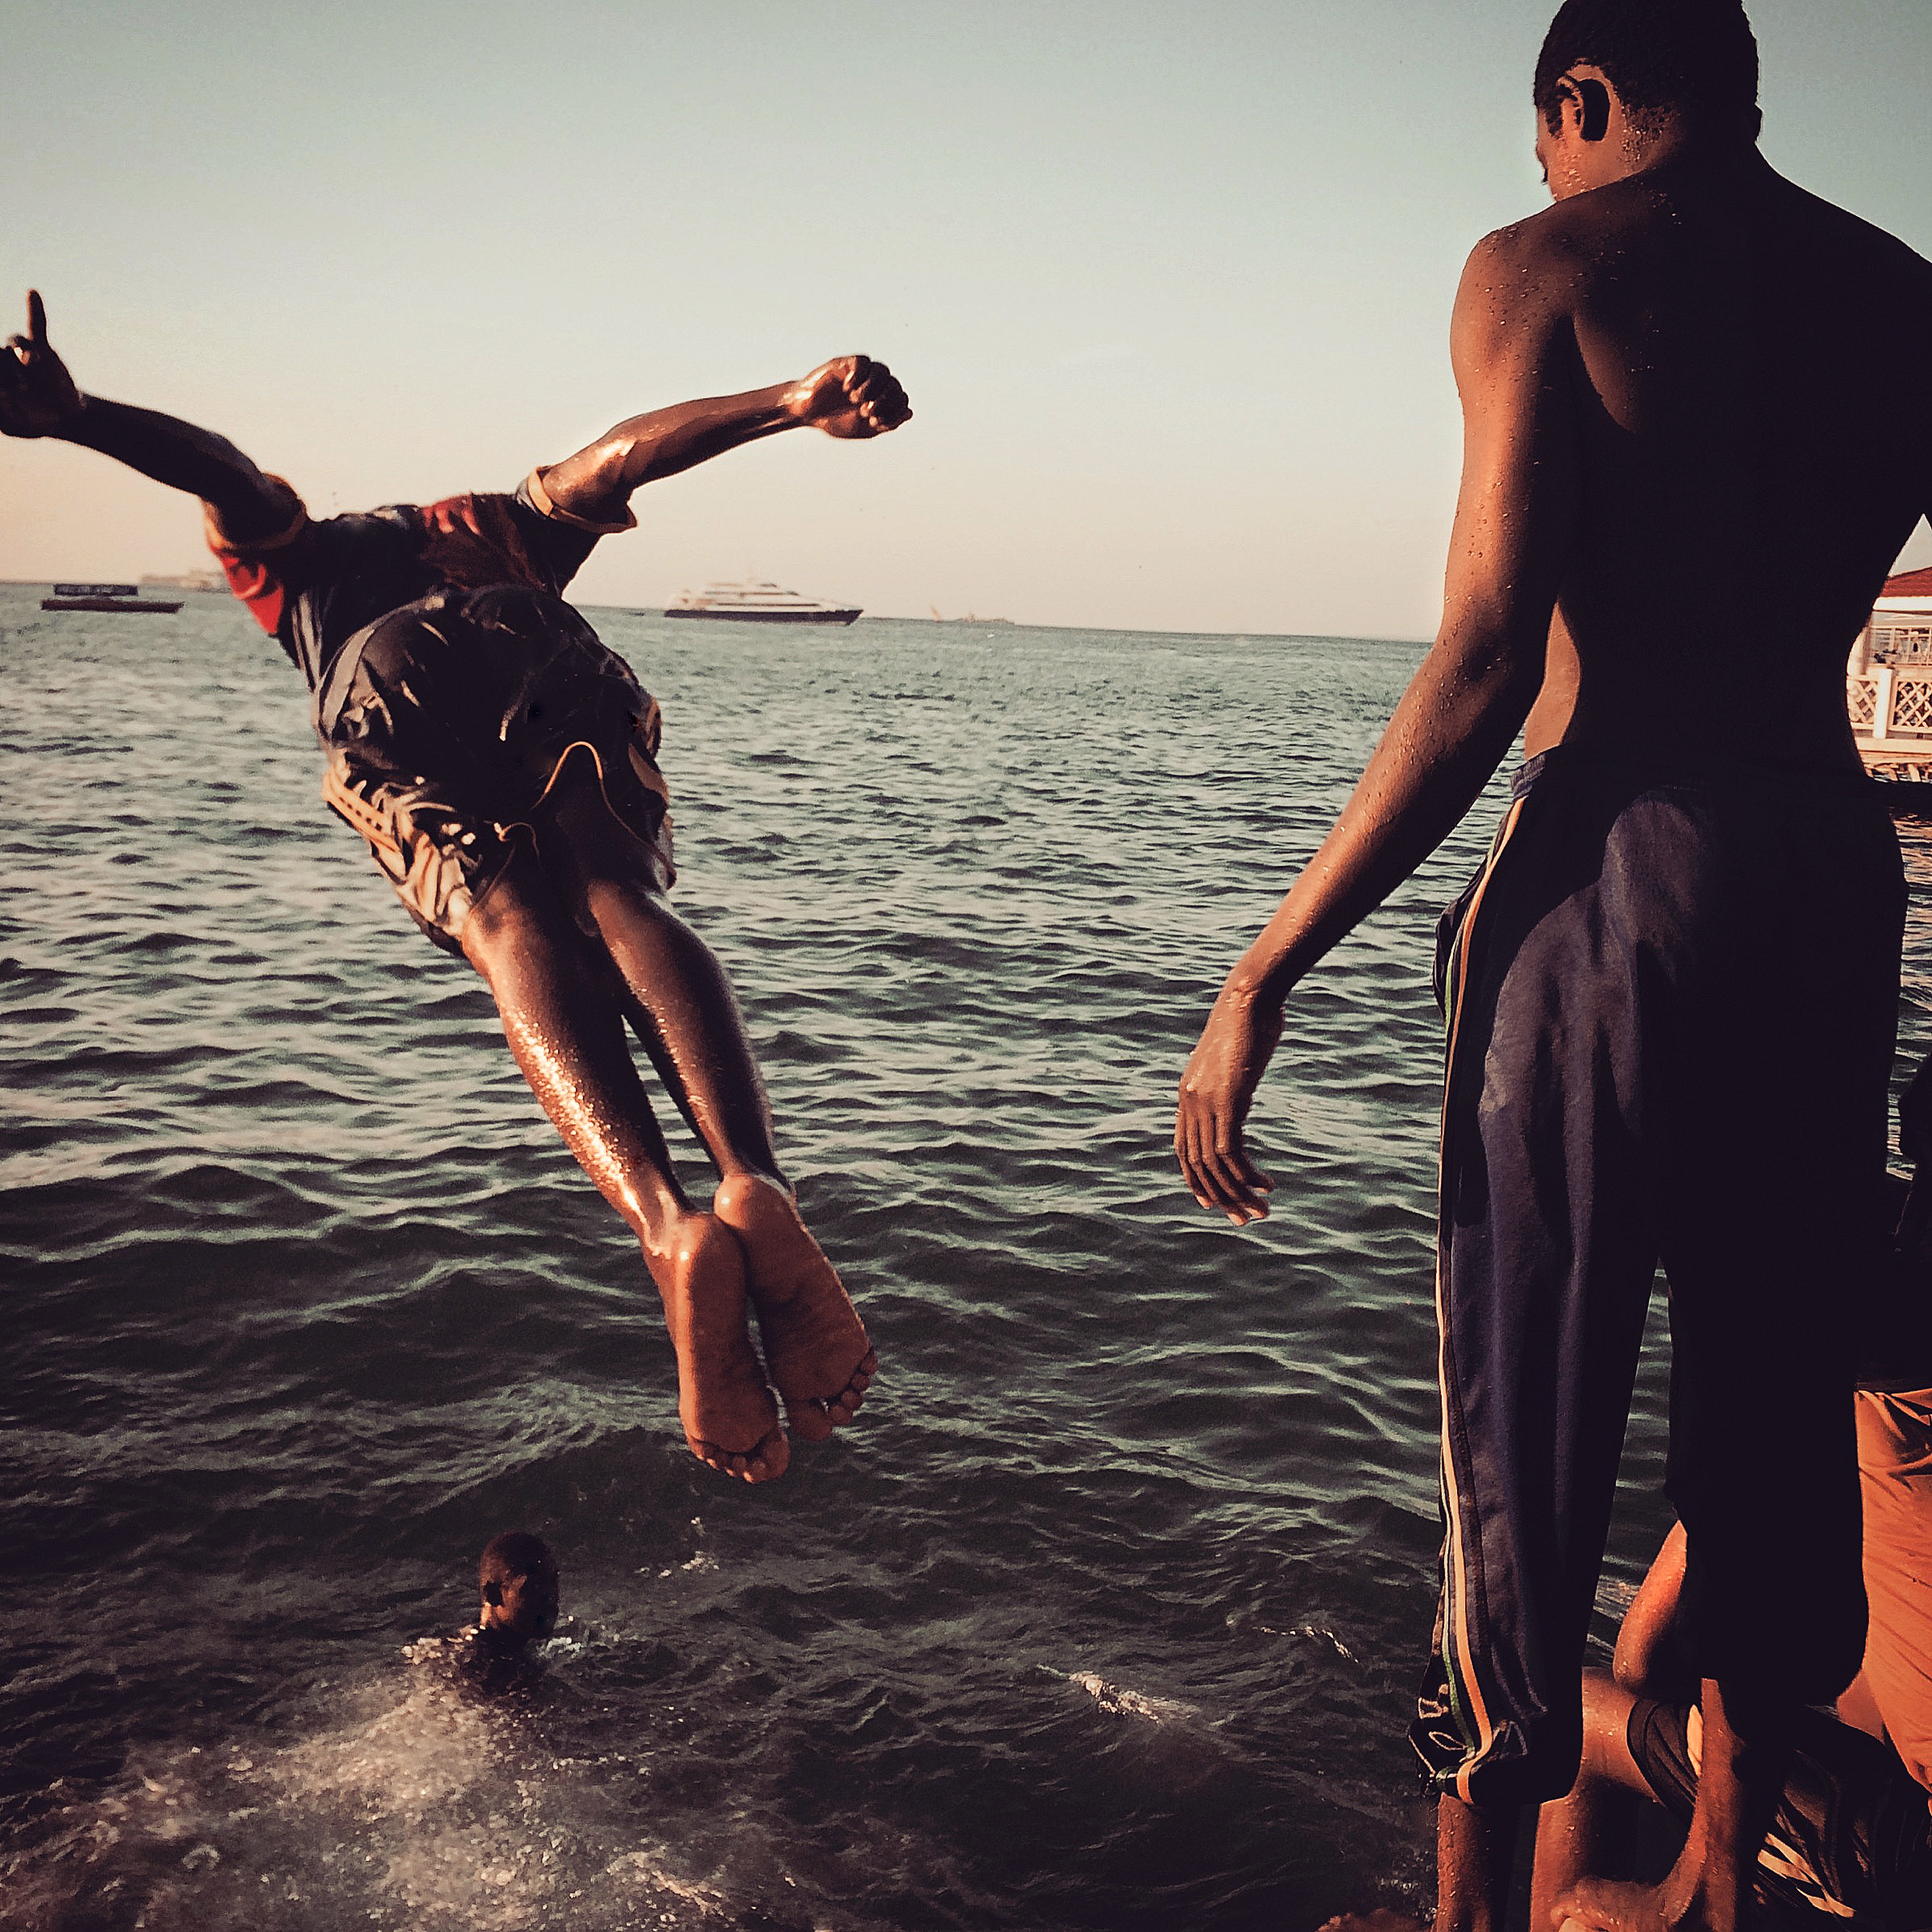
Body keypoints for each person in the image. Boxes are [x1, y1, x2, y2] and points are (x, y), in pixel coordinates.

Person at [1173, 3, 1930, 1926]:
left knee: (1522, 1444)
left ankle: (1472, 1920)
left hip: (1614, 873)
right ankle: (1710, 1900)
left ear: (1577, 104)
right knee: (1769, 1422)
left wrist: (1268, 963)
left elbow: (1489, 649)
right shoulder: (1900, 293)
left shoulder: (1542, 271)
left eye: (1546, 140)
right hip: (1829, 874)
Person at [1, 292, 911, 1484]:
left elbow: (224, 474)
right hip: (532, 633)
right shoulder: (503, 524)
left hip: (383, 683)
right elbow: (616, 460)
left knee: (505, 916)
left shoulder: (302, 559)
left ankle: (666, 1228)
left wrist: (86, 420)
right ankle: (749, 1178)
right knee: (619, 890)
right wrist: (787, 403)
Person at [406, 1531, 562, 1696]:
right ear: (493, 1594)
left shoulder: (504, 1650)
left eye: (553, 1580)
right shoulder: (481, 1668)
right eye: (533, 1587)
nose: (550, 1595)